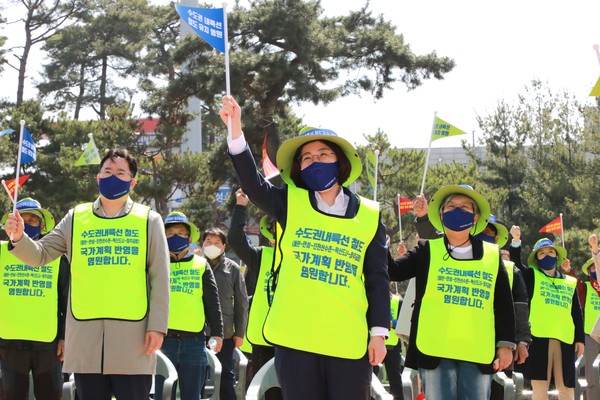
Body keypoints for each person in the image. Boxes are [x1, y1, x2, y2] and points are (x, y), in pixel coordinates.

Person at [220, 96, 390, 400]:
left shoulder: (369, 214)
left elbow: (378, 279)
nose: (315, 161)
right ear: (298, 167)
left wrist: (378, 332)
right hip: (296, 339)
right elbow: (254, 184)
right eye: (307, 157)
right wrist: (235, 133)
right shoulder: (288, 202)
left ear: (340, 162)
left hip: (347, 339)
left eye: (324, 154)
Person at [3, 148, 170, 400]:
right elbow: (40, 254)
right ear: (98, 177)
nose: (113, 176)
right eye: (107, 171)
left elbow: (160, 276)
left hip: (133, 338)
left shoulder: (149, 219)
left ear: (132, 182)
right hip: (85, 338)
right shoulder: (76, 218)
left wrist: (157, 327)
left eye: (121, 172)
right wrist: (18, 237)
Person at [388, 184, 516, 400]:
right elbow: (392, 271)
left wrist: (505, 345)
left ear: (475, 217)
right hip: (435, 351)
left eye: (465, 207)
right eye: (451, 206)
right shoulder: (427, 250)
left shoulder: (492, 255)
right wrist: (376, 240)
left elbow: (504, 304)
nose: (457, 210)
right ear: (441, 215)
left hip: (476, 351)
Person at [0, 198, 69, 400]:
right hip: (8, 344)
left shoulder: (57, 256)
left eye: (33, 220)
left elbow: (67, 299)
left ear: (42, 225)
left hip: (49, 346)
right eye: (23, 219)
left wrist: (65, 336)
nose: (28, 224)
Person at [154, 211, 224, 400]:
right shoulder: (154, 265)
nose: (175, 237)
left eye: (181, 233)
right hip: (162, 341)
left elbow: (212, 302)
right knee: (162, 394)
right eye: (169, 234)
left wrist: (217, 333)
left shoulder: (201, 265)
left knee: (192, 396)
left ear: (190, 238)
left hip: (194, 342)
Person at [509, 228, 584, 400]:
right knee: (540, 385)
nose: (547, 255)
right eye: (542, 253)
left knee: (566, 386)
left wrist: (579, 338)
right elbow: (517, 266)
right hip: (539, 337)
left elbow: (576, 313)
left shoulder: (570, 282)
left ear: (557, 256)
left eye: (551, 252)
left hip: (565, 339)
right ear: (537, 259)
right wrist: (516, 241)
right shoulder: (531, 276)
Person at [227, 188, 282, 400]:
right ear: (272, 234)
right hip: (263, 342)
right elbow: (236, 239)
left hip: (296, 341)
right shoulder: (261, 257)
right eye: (278, 227)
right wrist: (240, 206)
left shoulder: (304, 258)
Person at [201, 226, 248, 400]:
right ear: (203, 243)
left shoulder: (233, 268)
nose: (212, 245)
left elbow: (242, 303)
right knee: (199, 373)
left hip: (223, 334)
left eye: (216, 242)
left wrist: (240, 333)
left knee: (224, 373)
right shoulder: (196, 265)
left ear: (223, 246)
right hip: (198, 331)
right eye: (208, 241)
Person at [560, 233, 600, 400]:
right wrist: (569, 270)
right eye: (592, 268)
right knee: (592, 376)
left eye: (596, 267)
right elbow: (574, 284)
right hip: (590, 336)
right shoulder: (586, 288)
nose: (595, 270)